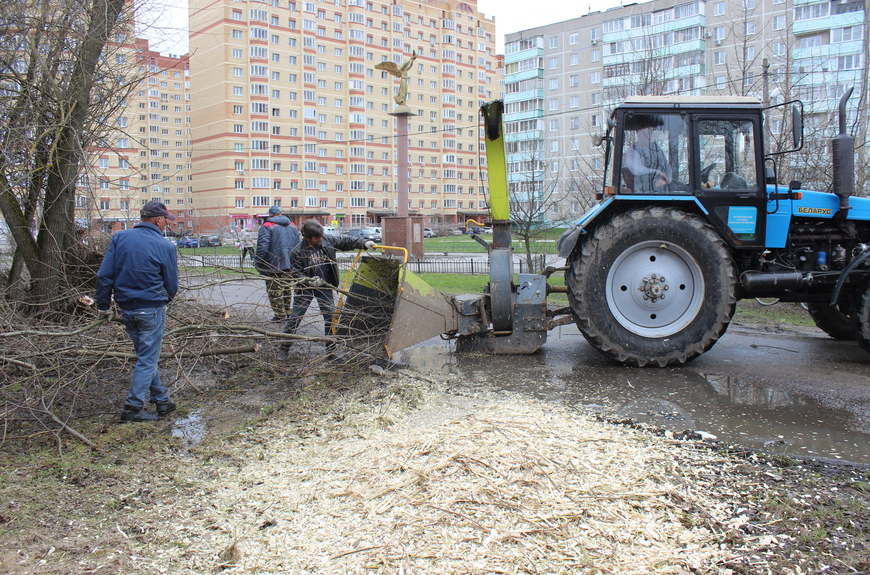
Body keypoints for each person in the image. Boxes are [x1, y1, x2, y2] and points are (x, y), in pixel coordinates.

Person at [95, 201, 179, 423]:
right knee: (147, 359)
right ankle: (132, 408)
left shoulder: (120, 238)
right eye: (165, 221)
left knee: (145, 356)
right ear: (158, 220)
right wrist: (165, 299)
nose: (165, 226)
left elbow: (104, 276)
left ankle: (162, 400)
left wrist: (103, 306)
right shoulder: (165, 246)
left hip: (127, 309)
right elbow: (172, 284)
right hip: (151, 308)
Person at [277, 219, 375, 361]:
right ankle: (284, 349)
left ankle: (330, 351)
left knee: (330, 317)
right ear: (307, 238)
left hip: (325, 286)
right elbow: (295, 273)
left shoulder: (327, 241)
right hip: (305, 289)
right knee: (295, 318)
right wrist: (308, 280)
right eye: (317, 238)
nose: (320, 240)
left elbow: (345, 241)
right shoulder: (297, 252)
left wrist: (364, 243)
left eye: (321, 236)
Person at [254, 206, 300, 321]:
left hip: (273, 263)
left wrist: (258, 262)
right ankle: (288, 312)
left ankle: (279, 315)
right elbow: (298, 245)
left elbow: (262, 247)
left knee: (275, 290)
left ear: (270, 214)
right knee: (287, 288)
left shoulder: (267, 226)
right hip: (290, 263)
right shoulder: (293, 226)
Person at [623, 126, 674, 192]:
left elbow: (666, 166)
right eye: (645, 133)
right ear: (638, 134)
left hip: (660, 187)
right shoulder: (633, 150)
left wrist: (666, 180)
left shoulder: (655, 148)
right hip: (641, 189)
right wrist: (657, 172)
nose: (648, 135)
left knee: (683, 189)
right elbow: (638, 170)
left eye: (650, 133)